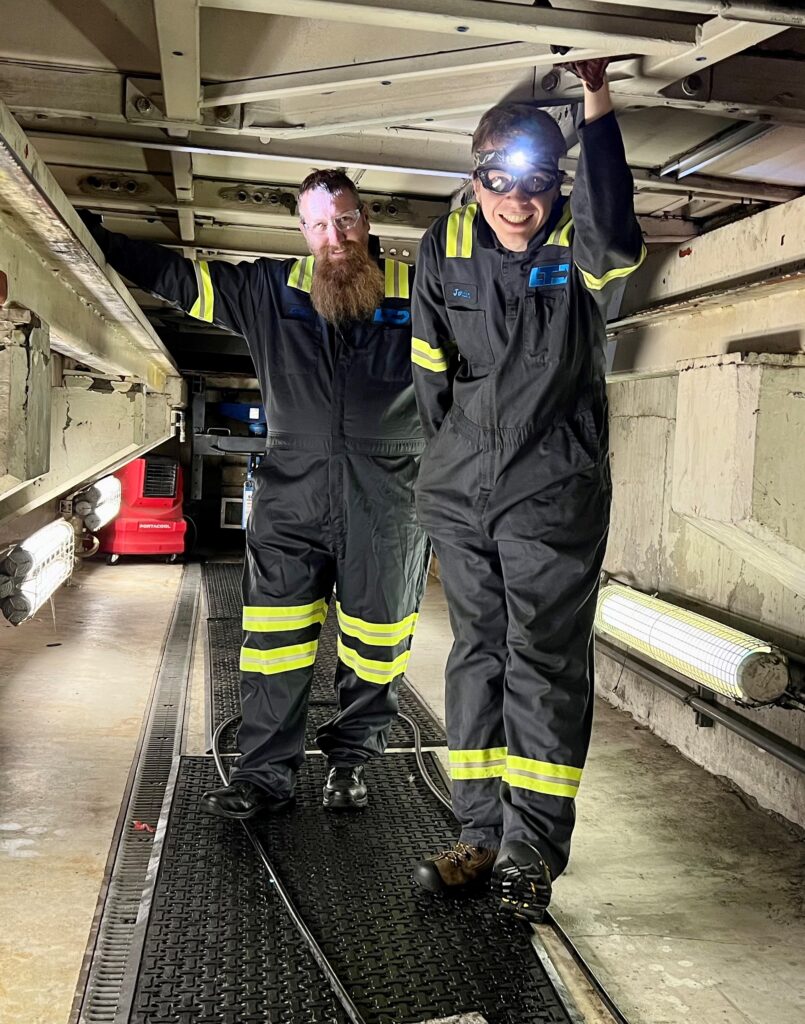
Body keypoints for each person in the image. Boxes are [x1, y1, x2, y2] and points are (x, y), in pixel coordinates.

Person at [81, 170, 429, 817]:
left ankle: (351, 760)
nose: (336, 237)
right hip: (290, 497)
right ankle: (265, 775)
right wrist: (98, 240)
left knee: (378, 642)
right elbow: (179, 279)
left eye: (345, 221)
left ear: (367, 220)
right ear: (302, 232)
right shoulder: (269, 289)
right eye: (320, 225)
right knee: (274, 641)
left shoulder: (423, 288)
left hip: (390, 499)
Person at [409, 60, 644, 918]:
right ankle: (478, 832)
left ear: (557, 187)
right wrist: (452, 467)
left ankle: (530, 852)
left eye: (537, 185)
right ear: (476, 181)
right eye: (500, 182)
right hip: (463, 486)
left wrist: (598, 110)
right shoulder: (445, 244)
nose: (517, 202)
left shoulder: (579, 247)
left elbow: (617, 238)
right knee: (476, 658)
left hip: (552, 488)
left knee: (540, 662)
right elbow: (431, 369)